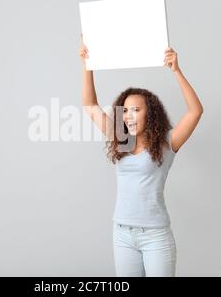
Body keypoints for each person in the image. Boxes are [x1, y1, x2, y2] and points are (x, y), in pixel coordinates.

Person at [79, 34, 204, 277]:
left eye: (136, 110)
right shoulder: (121, 139)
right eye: (125, 110)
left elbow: (196, 112)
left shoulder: (168, 142)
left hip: (155, 236)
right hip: (122, 234)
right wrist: (87, 64)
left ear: (151, 113)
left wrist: (176, 70)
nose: (128, 116)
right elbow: (90, 105)